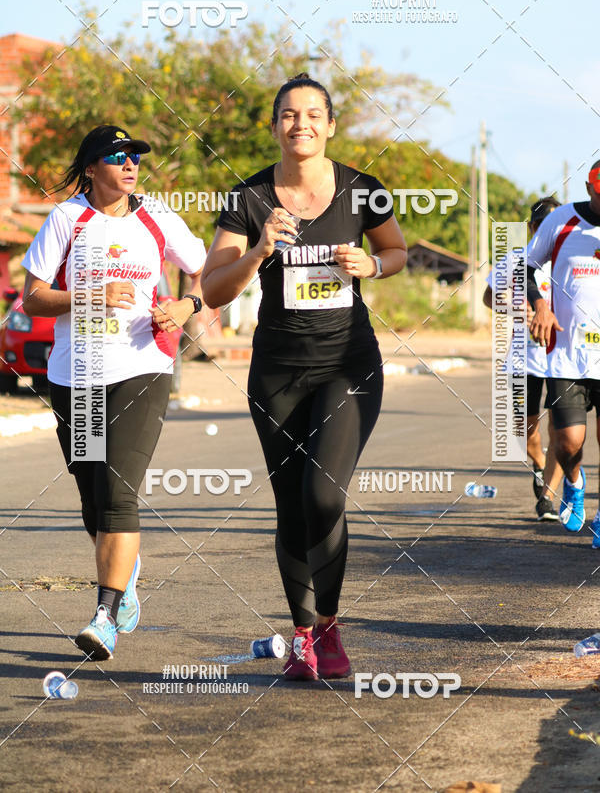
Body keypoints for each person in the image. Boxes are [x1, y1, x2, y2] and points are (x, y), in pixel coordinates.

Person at [202, 74, 407, 680]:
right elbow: (213, 288)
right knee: (291, 501)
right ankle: (302, 636)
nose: (302, 124)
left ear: (332, 124)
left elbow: (396, 252)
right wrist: (259, 250)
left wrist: (370, 263)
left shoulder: (362, 191)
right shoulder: (247, 199)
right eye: (289, 115)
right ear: (274, 127)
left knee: (323, 493)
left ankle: (331, 625)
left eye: (313, 114)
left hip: (347, 362)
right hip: (276, 371)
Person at [21, 125, 206, 660]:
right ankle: (128, 572)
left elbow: (204, 270)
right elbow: (32, 299)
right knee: (93, 497)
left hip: (142, 367)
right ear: (91, 168)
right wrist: (89, 295)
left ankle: (104, 614)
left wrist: (187, 307)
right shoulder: (67, 219)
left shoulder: (157, 217)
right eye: (117, 156)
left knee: (120, 491)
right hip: (75, 373)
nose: (130, 165)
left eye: (135, 158)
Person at [528, 162, 600, 545]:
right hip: (568, 354)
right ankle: (573, 482)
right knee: (568, 441)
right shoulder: (561, 220)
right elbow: (525, 265)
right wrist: (540, 305)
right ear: (591, 189)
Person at [483, 197, 563, 520]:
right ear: (532, 228)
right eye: (542, 225)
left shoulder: (569, 260)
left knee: (562, 427)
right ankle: (540, 463)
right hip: (523, 358)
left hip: (561, 358)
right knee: (524, 429)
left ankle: (548, 497)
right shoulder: (516, 260)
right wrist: (519, 310)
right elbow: (489, 296)